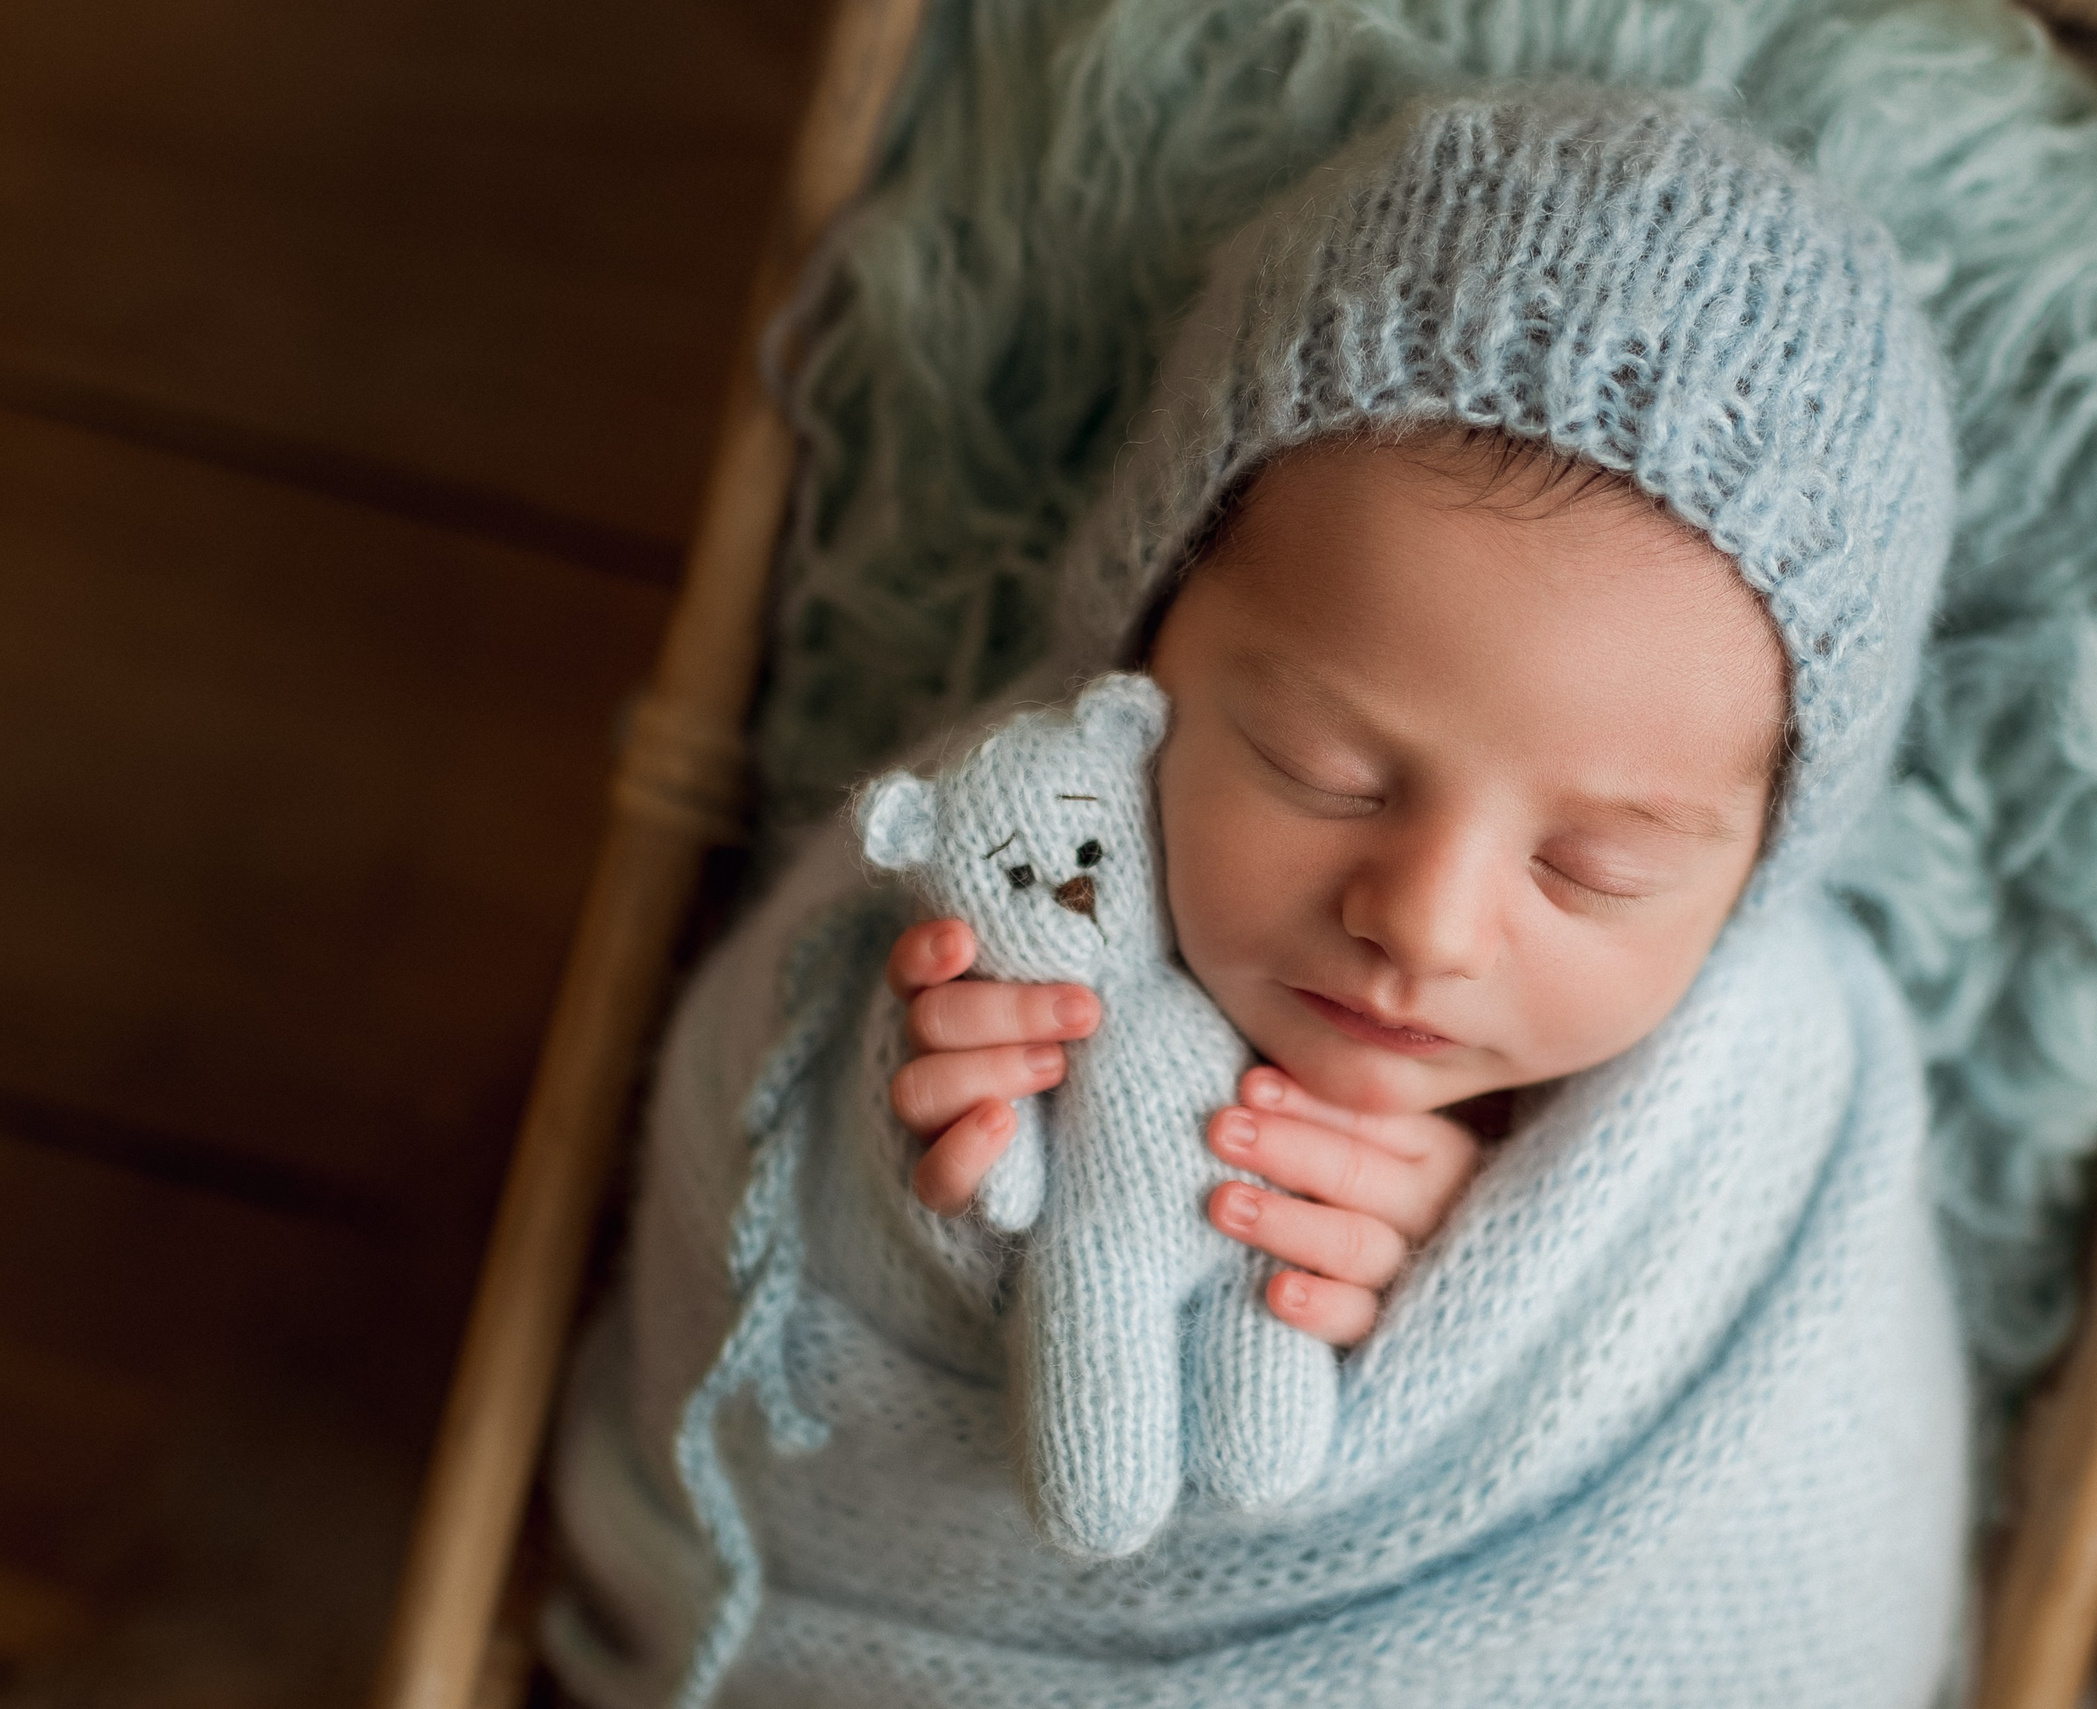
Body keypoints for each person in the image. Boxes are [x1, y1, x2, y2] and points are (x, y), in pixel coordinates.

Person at [549, 87, 1969, 1708]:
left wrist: (1479, 1248)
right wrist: (920, 1186)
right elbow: (771, 1263)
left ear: (1752, 872)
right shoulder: (1009, 852)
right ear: (1146, 649)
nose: (1424, 921)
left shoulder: (1764, 1106)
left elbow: (1796, 1522)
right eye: (1325, 771)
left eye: (1596, 868)